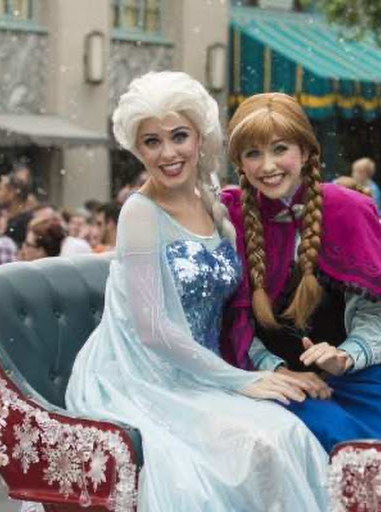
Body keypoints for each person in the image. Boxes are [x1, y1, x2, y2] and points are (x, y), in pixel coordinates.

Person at [65, 72, 328, 512]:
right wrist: (246, 380)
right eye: (152, 141)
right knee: (248, 449)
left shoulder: (212, 202)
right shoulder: (139, 214)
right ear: (137, 149)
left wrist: (274, 365)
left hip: (202, 372)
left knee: (291, 434)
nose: (168, 153)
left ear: (200, 137)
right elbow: (152, 331)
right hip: (142, 378)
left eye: (179, 136)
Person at [221, 92, 381, 453]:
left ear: (305, 151)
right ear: (239, 163)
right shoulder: (228, 218)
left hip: (360, 379)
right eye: (253, 153)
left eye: (280, 148)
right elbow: (231, 322)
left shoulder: (350, 210)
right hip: (274, 384)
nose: (267, 165)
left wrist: (345, 357)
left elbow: (379, 317)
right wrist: (276, 370)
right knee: (327, 436)